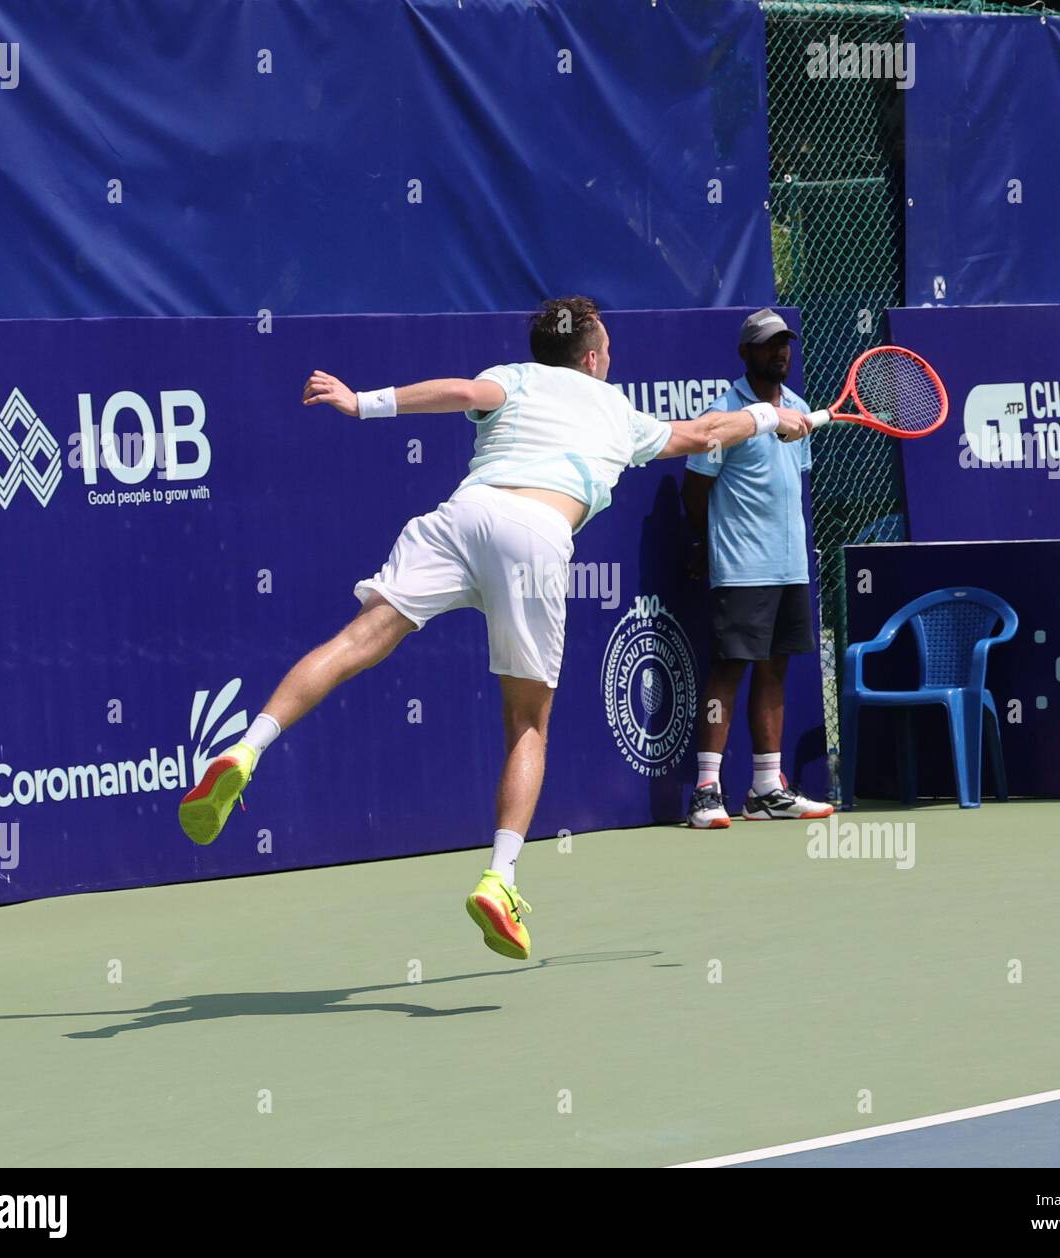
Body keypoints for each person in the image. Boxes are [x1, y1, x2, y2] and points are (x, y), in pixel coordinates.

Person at [179, 296, 813, 960]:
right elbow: (700, 434)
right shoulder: (617, 412)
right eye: (608, 351)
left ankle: (244, 750)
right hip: (536, 535)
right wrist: (769, 417)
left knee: (355, 641)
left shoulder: (514, 377)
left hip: (464, 515)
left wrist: (361, 401)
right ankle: (499, 878)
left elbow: (456, 392)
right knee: (528, 723)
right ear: (593, 357)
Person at [682, 308, 834, 828]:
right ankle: (706, 791)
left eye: (785, 343)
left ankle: (767, 789)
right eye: (769, 345)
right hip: (742, 566)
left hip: (790, 567)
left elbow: (796, 485)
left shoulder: (800, 409)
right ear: (745, 353)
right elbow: (695, 488)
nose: (780, 352)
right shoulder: (723, 415)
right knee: (729, 673)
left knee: (775, 671)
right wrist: (708, 542)